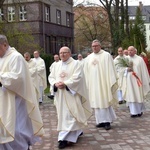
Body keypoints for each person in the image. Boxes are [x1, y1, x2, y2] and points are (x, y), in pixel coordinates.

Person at [0, 34, 44, 150]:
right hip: (2, 100)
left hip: (15, 102)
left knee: (16, 130)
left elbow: (18, 78)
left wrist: (0, 78)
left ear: (5, 44)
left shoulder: (16, 57)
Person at [48, 46, 92, 149]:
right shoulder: (56, 65)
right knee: (63, 116)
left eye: (64, 53)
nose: (62, 55)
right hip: (60, 95)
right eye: (60, 53)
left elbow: (78, 77)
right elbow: (51, 77)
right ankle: (77, 132)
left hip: (71, 94)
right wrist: (55, 84)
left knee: (72, 115)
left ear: (69, 53)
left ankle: (63, 139)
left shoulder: (76, 64)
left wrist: (66, 84)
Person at [84, 39, 118, 130]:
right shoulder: (89, 57)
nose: (94, 48)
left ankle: (107, 121)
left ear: (100, 46)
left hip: (104, 83)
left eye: (96, 46)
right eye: (93, 46)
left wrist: (109, 81)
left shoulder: (106, 55)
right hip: (93, 83)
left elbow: (111, 69)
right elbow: (85, 71)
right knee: (96, 102)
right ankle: (100, 121)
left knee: (104, 101)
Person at [125, 46, 150, 117]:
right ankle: (133, 112)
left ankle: (139, 111)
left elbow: (144, 70)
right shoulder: (126, 59)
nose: (130, 52)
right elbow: (121, 70)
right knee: (131, 95)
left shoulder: (140, 59)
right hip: (129, 81)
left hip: (138, 81)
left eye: (131, 50)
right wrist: (126, 70)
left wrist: (145, 80)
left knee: (138, 95)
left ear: (135, 51)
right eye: (129, 50)